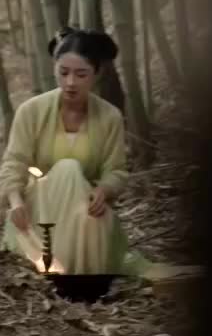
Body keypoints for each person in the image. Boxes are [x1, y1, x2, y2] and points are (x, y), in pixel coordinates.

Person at [0, 26, 156, 279]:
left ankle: (79, 270)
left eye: (81, 74)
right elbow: (14, 162)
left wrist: (103, 190)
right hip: (38, 213)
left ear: (96, 74)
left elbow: (116, 171)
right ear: (54, 69)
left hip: (84, 213)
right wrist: (16, 201)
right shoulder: (31, 111)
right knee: (67, 168)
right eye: (63, 73)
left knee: (75, 180)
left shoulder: (110, 117)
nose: (70, 82)